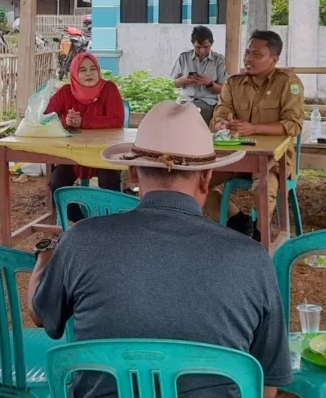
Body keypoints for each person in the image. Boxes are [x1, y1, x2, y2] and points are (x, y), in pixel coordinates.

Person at [30, 101, 291, 398]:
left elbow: (42, 316)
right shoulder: (253, 259)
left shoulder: (81, 241)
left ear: (132, 173)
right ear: (206, 179)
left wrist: (44, 258)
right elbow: (268, 379)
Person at [208, 30, 304, 223]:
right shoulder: (233, 83)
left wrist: (254, 128)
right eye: (247, 53)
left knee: (262, 189)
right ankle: (238, 223)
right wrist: (221, 124)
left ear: (274, 59)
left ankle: (260, 239)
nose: (248, 59)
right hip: (234, 156)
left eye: (257, 55)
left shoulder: (288, 83)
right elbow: (218, 115)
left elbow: (293, 125)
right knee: (191, 182)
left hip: (274, 160)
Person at [44, 53, 126, 221]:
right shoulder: (65, 92)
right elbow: (46, 117)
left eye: (92, 69)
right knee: (57, 182)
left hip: (104, 154)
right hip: (74, 156)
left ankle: (114, 225)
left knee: (109, 184)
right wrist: (66, 121)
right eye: (82, 70)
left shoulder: (109, 89)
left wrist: (82, 121)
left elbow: (116, 120)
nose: (89, 73)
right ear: (74, 73)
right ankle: (81, 221)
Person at [170, 26, 228, 124]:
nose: (202, 51)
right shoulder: (184, 57)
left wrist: (209, 83)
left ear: (212, 43)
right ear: (193, 44)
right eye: (198, 47)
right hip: (185, 100)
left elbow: (224, 90)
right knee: (168, 112)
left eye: (206, 47)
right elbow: (175, 84)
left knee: (190, 112)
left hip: (207, 102)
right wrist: (183, 80)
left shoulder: (219, 61)